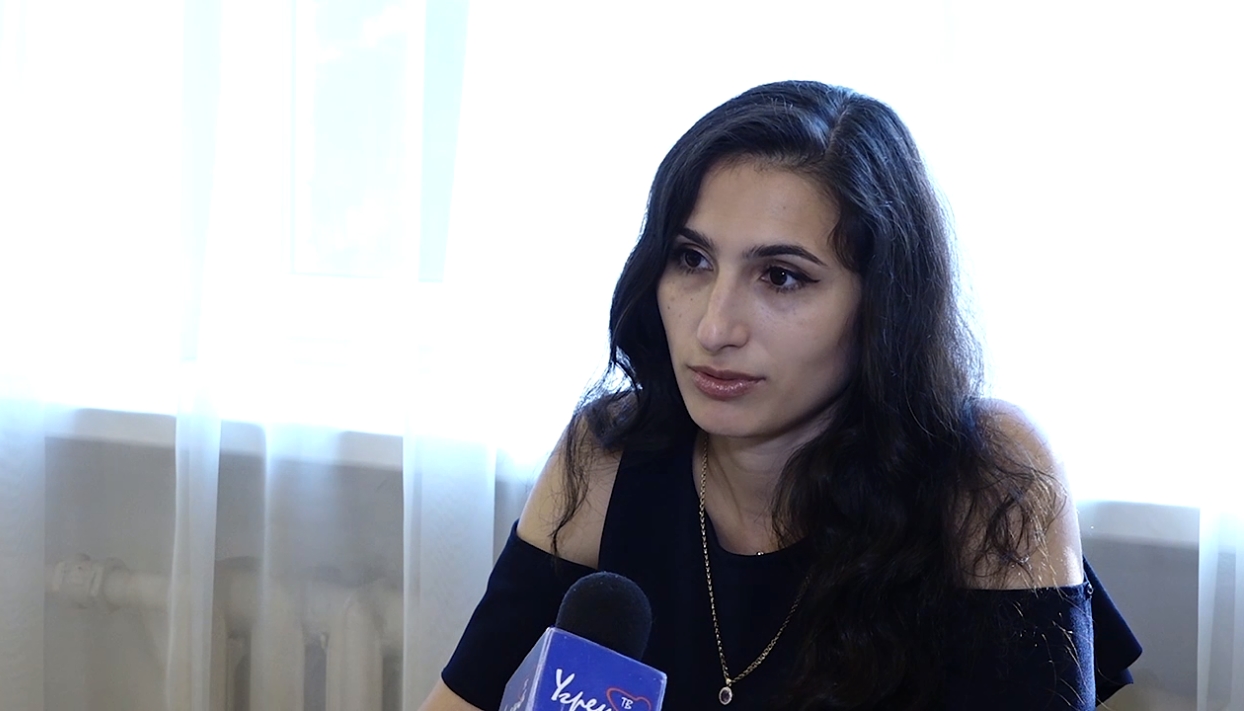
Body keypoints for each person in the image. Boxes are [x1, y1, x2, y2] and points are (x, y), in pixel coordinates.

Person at [420, 80, 1141, 710]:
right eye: (692, 259)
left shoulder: (986, 477)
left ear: (883, 305)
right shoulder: (606, 455)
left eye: (781, 277)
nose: (715, 327)